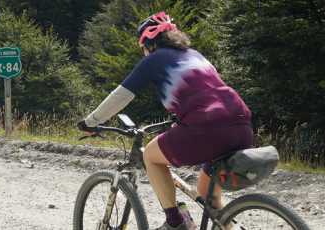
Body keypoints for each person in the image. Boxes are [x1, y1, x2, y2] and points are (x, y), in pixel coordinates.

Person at [78, 12, 253, 230]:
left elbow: (120, 96)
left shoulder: (153, 59)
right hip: (242, 124)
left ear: (148, 43)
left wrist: (91, 121)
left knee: (151, 156)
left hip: (206, 127)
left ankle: (175, 222)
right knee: (209, 198)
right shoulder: (195, 55)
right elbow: (207, 94)